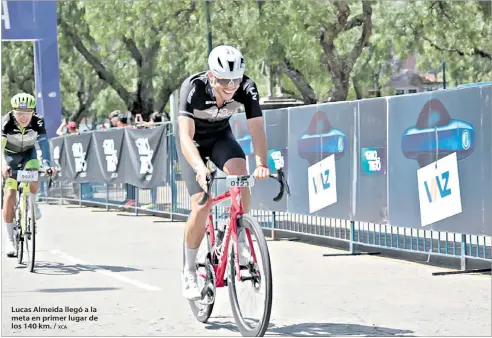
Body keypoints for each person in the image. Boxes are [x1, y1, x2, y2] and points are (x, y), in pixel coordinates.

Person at [176, 45, 270, 300]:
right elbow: (185, 135)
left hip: (219, 138)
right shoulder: (193, 88)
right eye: (225, 80)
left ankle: (239, 237)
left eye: (236, 79)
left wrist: (262, 163)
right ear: (211, 76)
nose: (231, 86)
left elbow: (257, 128)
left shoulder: (246, 87)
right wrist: (198, 167)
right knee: (202, 204)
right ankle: (188, 270)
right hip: (192, 143)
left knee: (241, 172)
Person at [1, 93, 57, 257]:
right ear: (13, 112)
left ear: (33, 112)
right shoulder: (6, 122)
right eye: (19, 113)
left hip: (28, 154)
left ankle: (33, 203)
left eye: (27, 113)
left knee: (34, 173)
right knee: (9, 195)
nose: (23, 117)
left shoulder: (38, 121)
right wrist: (3, 165)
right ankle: (10, 241)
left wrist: (47, 164)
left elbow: (44, 143)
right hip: (9, 156)